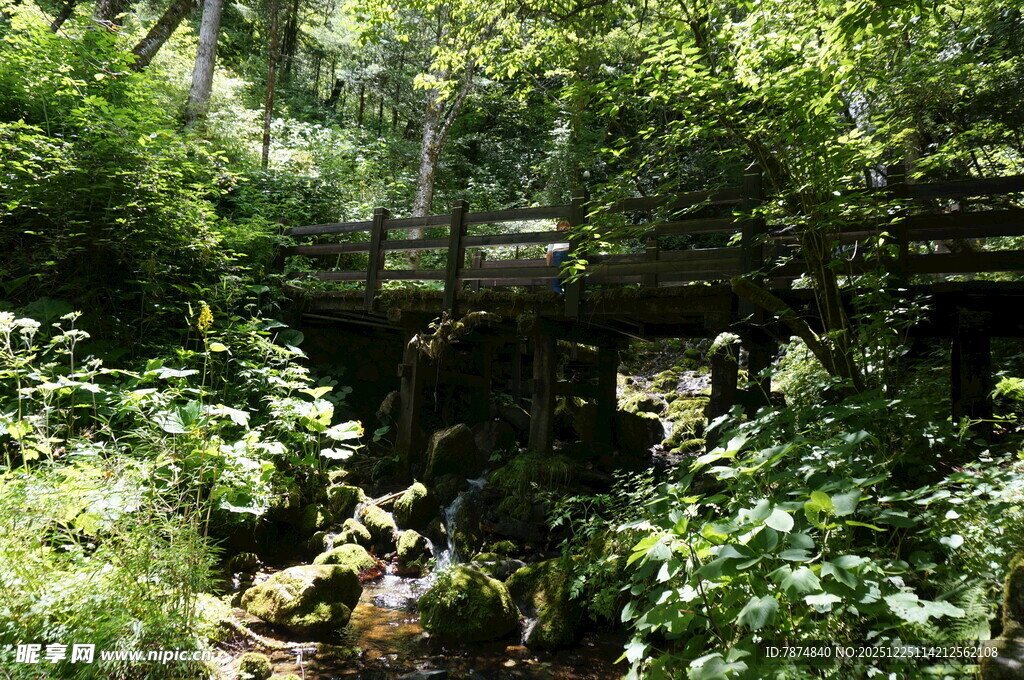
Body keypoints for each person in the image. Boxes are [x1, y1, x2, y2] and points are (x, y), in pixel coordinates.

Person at [546, 220, 571, 293]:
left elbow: (549, 254)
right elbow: (549, 254)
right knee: (559, 281)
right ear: (558, 228)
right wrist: (548, 266)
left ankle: (563, 297)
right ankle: (561, 297)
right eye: (562, 226)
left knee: (561, 280)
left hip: (565, 254)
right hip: (559, 255)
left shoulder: (570, 236)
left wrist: (548, 266)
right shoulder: (554, 237)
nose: (564, 228)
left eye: (566, 226)